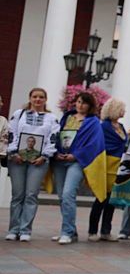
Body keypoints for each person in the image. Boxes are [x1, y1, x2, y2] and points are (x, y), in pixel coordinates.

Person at [6, 88, 59, 242]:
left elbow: (53, 138)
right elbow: (11, 133)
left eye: (41, 97)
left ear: (45, 99)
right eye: (35, 97)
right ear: (30, 98)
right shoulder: (18, 114)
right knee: (17, 195)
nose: (38, 100)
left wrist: (44, 156)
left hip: (39, 161)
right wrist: (14, 152)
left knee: (31, 195)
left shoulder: (51, 118)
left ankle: (25, 230)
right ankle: (13, 229)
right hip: (17, 160)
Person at [51, 91, 99, 242]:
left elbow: (93, 144)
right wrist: (56, 152)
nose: (80, 105)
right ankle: (71, 230)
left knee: (68, 194)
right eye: (78, 102)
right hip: (60, 160)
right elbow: (57, 136)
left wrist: (76, 155)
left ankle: (67, 232)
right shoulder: (67, 117)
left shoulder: (93, 122)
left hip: (77, 162)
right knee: (61, 196)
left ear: (90, 106)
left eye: (84, 102)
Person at [87, 98, 128, 241]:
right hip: (105, 163)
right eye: (122, 108)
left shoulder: (121, 127)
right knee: (100, 198)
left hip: (118, 165)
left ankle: (106, 231)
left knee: (111, 200)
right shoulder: (103, 126)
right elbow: (99, 143)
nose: (124, 111)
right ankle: (92, 231)